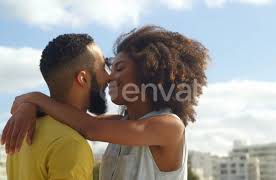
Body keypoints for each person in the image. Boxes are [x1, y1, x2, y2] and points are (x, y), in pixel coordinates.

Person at [2, 25, 210, 180]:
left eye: (119, 68)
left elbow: (89, 127)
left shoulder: (170, 126)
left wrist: (36, 98)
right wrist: (29, 107)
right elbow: (75, 119)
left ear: (149, 71)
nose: (110, 77)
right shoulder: (118, 123)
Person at [4, 33, 112, 180]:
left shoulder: (24, 131)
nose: (109, 77)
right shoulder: (72, 145)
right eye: (102, 67)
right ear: (83, 78)